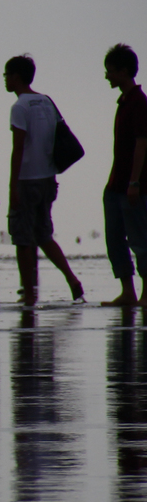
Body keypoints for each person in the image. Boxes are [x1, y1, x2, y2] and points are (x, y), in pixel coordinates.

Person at [4, 54, 83, 305]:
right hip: (48, 177)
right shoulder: (47, 101)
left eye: (6, 74)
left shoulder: (19, 107)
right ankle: (71, 279)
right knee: (44, 235)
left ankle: (28, 293)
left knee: (22, 238)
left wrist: (12, 186)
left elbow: (18, 148)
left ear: (16, 76)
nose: (5, 80)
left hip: (27, 179)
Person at [99, 43, 147, 307]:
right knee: (114, 239)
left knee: (140, 239)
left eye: (110, 71)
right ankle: (127, 291)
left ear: (124, 71)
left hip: (133, 185)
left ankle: (145, 293)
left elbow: (142, 143)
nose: (107, 76)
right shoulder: (124, 102)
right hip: (116, 184)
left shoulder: (139, 103)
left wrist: (134, 182)